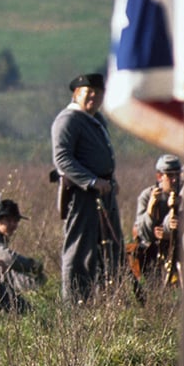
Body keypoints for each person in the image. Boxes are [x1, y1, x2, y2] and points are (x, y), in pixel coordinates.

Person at [51, 72, 124, 303]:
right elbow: (62, 159)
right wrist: (92, 181)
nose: (93, 97)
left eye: (98, 93)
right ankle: (74, 303)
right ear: (76, 94)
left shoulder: (95, 119)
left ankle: (108, 299)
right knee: (80, 248)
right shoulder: (68, 120)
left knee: (111, 247)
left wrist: (109, 180)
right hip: (82, 193)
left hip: (103, 191)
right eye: (88, 93)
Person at [131, 154, 183, 282]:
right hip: (154, 249)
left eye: (177, 175)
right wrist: (151, 208)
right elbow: (141, 233)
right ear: (159, 177)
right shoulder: (147, 196)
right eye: (170, 175)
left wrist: (170, 234)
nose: (175, 180)